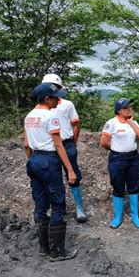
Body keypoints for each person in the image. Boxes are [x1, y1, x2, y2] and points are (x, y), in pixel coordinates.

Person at [24, 83, 77, 261]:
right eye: (55, 97)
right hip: (49, 161)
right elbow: (58, 144)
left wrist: (31, 161)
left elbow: (26, 145)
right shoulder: (50, 116)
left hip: (34, 160)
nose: (58, 100)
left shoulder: (29, 117)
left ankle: (44, 248)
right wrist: (70, 169)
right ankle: (57, 251)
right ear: (47, 99)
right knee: (57, 204)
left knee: (40, 204)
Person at [41, 74, 86, 223]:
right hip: (49, 147)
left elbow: (75, 124)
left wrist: (73, 141)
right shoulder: (41, 108)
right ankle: (59, 206)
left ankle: (79, 207)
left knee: (73, 174)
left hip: (66, 143)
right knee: (54, 177)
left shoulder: (67, 104)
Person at [100, 98, 139, 229]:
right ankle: (117, 217)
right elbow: (104, 142)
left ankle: (135, 216)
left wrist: (131, 122)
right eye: (126, 107)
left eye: (131, 106)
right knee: (118, 187)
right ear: (119, 110)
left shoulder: (133, 122)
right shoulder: (111, 123)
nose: (130, 109)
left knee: (134, 187)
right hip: (117, 159)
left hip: (133, 158)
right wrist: (115, 149)